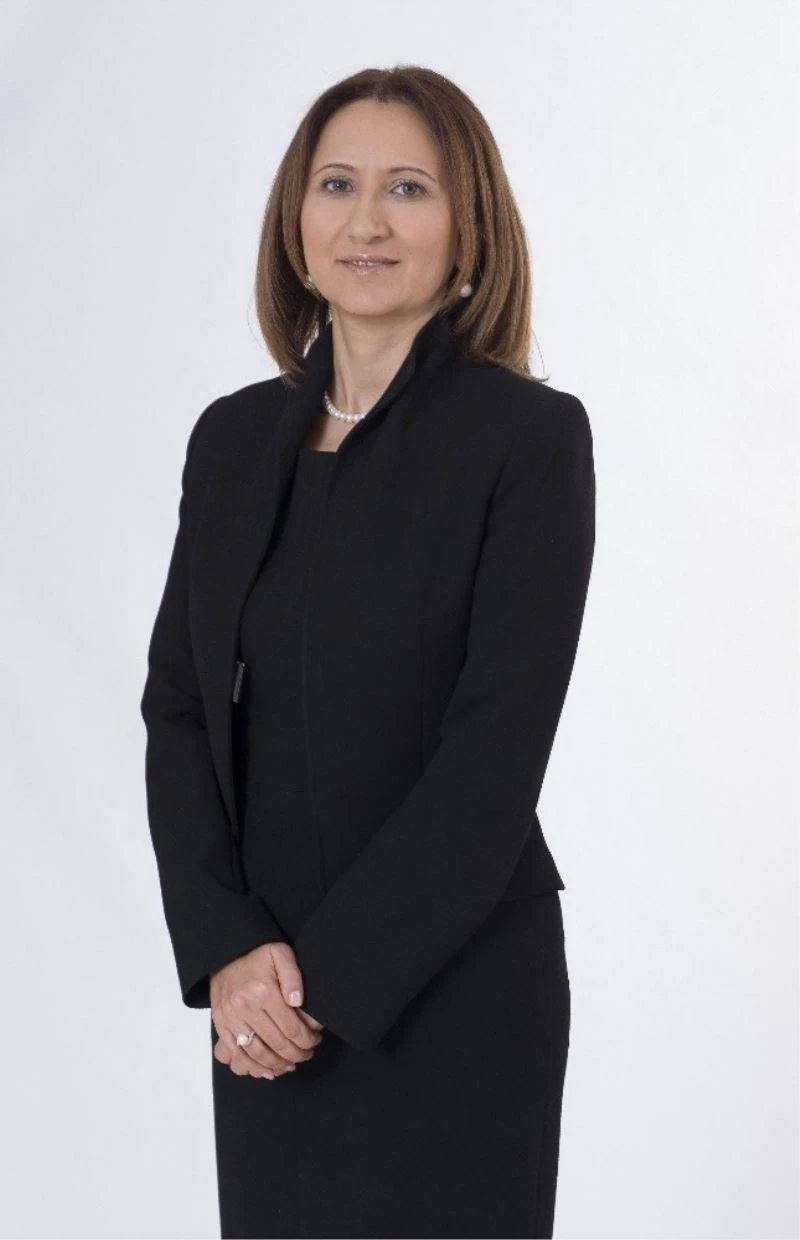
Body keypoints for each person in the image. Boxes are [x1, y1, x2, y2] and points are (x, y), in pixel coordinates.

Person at [140, 64, 596, 1240]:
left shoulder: (527, 439)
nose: (367, 222)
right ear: (295, 224)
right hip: (261, 999)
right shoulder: (231, 439)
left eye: (408, 188)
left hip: (452, 989)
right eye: (337, 185)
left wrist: (318, 986)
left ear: (467, 228)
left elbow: (493, 752)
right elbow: (180, 706)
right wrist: (229, 948)